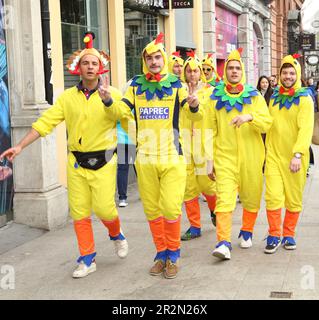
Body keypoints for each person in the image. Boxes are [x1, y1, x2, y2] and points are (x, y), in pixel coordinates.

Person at [0, 32, 132, 278]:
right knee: (80, 213)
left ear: (100, 68)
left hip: (103, 161)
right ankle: (87, 258)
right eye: (86, 63)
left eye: (94, 63)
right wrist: (20, 146)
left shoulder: (112, 92)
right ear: (78, 69)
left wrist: (107, 102)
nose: (90, 67)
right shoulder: (67, 97)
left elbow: (123, 116)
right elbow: (45, 123)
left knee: (105, 210)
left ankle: (116, 233)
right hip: (76, 163)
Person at [100, 33, 202, 279]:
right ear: (144, 60)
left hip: (172, 157)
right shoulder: (134, 85)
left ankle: (174, 254)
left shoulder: (177, 85)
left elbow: (195, 116)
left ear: (164, 59)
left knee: (170, 207)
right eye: (150, 58)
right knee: (153, 211)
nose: (154, 61)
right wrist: (107, 100)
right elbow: (120, 111)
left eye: (158, 57)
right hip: (144, 158)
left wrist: (195, 103)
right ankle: (161, 254)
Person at [205, 48, 272, 260]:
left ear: (242, 71)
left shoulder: (254, 96)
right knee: (224, 199)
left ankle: (247, 231)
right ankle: (223, 242)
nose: (233, 71)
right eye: (230, 68)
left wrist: (250, 117)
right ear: (225, 72)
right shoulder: (214, 98)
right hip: (225, 158)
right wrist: (209, 161)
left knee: (251, 197)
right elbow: (208, 131)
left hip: (252, 158)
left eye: (237, 68)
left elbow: (267, 123)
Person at [264, 54, 314, 253]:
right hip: (274, 156)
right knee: (273, 196)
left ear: (298, 75)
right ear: (280, 74)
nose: (288, 76)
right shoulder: (274, 97)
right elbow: (267, 122)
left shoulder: (305, 99)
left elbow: (306, 129)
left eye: (292, 73)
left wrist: (298, 154)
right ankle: (274, 234)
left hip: (295, 158)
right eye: (285, 72)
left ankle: (289, 234)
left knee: (293, 198)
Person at [179, 51, 217, 241]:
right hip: (184, 143)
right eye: (189, 71)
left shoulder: (209, 92)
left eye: (195, 70)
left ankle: (214, 209)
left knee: (207, 186)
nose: (192, 74)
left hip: (203, 143)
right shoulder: (178, 91)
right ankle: (195, 226)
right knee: (188, 187)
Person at [116, 120, 136, 208]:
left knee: (122, 169)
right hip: (135, 140)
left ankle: (122, 199)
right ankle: (148, 195)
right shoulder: (135, 106)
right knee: (141, 168)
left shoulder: (116, 106)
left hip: (120, 140)